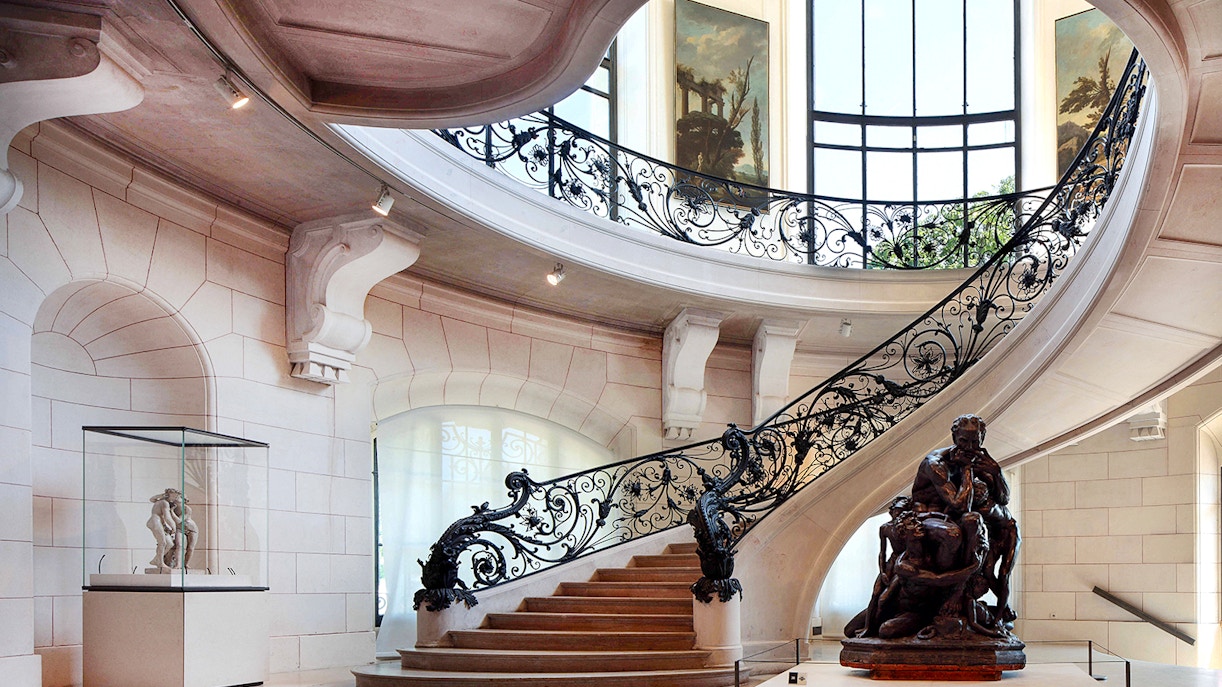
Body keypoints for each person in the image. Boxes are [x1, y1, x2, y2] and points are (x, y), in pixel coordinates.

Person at [146, 488, 181, 572]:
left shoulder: (160, 501)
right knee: (162, 542)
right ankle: (160, 562)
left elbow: (152, 499)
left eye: (176, 497)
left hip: (159, 522)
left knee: (169, 543)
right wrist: (173, 527)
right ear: (169, 495)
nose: (175, 499)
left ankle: (156, 559)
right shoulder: (164, 503)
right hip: (155, 521)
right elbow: (167, 517)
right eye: (174, 496)